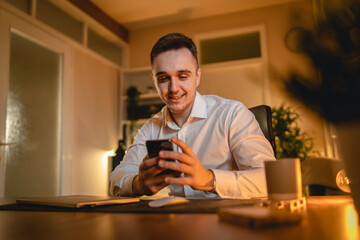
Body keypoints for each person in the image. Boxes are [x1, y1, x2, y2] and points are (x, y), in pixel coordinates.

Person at [109, 32, 276, 199]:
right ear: (154, 81)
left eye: (182, 76)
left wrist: (210, 179)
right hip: (175, 220)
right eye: (163, 78)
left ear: (197, 77)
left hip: (227, 219)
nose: (174, 88)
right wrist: (137, 184)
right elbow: (116, 178)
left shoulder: (232, 114)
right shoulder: (151, 128)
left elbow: (271, 180)